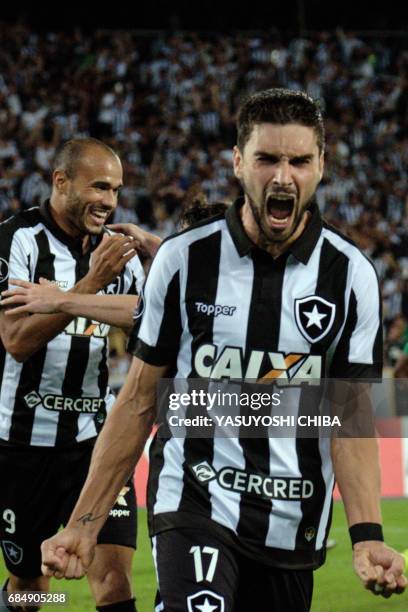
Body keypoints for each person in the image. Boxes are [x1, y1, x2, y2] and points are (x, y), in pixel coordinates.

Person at [40, 90, 407, 611]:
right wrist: (82, 525)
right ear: (238, 162)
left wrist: (367, 534)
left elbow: (349, 421)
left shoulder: (351, 277)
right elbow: (140, 401)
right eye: (267, 159)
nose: (283, 177)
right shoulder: (184, 260)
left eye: (299, 160)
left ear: (321, 166)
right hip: (194, 499)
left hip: (290, 522)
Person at [0, 138, 146, 612]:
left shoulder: (120, 253)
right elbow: (17, 340)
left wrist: (67, 298)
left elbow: (150, 317)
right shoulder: (18, 240)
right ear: (60, 181)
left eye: (116, 190)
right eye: (99, 186)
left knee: (112, 580)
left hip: (96, 443)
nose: (109, 201)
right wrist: (89, 287)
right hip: (23, 446)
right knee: (33, 589)